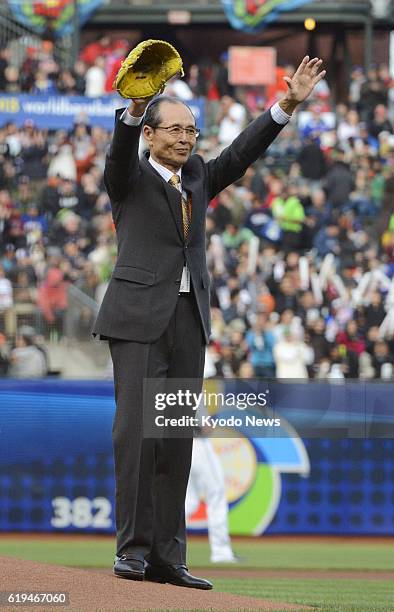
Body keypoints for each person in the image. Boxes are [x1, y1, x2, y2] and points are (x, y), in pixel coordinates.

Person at [92, 55, 326, 589]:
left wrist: (286, 105)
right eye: (174, 129)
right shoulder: (126, 175)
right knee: (137, 436)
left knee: (175, 440)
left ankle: (169, 558)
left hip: (187, 319)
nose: (185, 139)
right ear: (150, 134)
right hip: (135, 321)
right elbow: (119, 151)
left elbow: (240, 155)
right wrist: (132, 108)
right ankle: (131, 550)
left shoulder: (196, 175)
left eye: (191, 130)